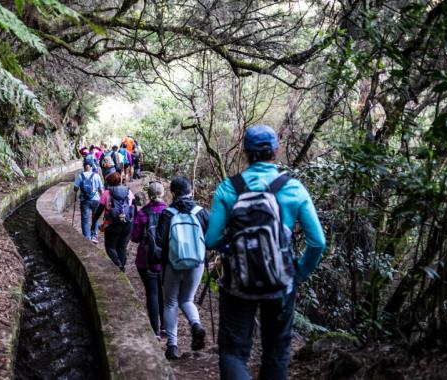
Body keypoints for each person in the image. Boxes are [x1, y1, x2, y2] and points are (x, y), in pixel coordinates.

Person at [204, 124, 326, 380]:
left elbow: (212, 239)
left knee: (233, 351)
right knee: (276, 350)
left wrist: (234, 248)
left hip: (238, 281)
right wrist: (298, 274)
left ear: (245, 152)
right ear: (276, 151)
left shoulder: (229, 188)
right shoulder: (293, 188)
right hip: (281, 282)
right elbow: (317, 243)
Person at [156, 176, 209, 360]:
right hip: (196, 263)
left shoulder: (167, 213)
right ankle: (195, 325)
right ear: (190, 191)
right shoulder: (201, 212)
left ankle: (172, 346)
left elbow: (160, 241)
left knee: (170, 302)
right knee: (187, 299)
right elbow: (210, 240)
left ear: (172, 193)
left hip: (172, 262)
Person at [130, 182, 167, 340]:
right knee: (164, 292)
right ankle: (166, 326)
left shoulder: (143, 213)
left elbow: (134, 237)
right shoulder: (169, 212)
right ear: (163, 193)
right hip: (165, 259)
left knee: (152, 293)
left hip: (145, 259)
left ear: (149, 194)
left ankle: (155, 331)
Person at [99, 172, 134, 271]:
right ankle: (122, 267)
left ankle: (118, 265)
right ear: (120, 181)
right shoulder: (128, 191)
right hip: (127, 223)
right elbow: (134, 208)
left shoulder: (106, 193)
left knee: (110, 247)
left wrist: (93, 223)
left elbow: (99, 210)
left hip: (112, 224)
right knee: (122, 247)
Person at [73, 162, 103, 243]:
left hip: (84, 200)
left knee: (85, 220)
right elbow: (101, 190)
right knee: (95, 218)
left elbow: (75, 188)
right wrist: (103, 200)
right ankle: (94, 236)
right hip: (96, 199)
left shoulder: (80, 176)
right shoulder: (96, 176)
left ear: (84, 167)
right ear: (91, 167)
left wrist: (78, 189)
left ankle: (87, 237)